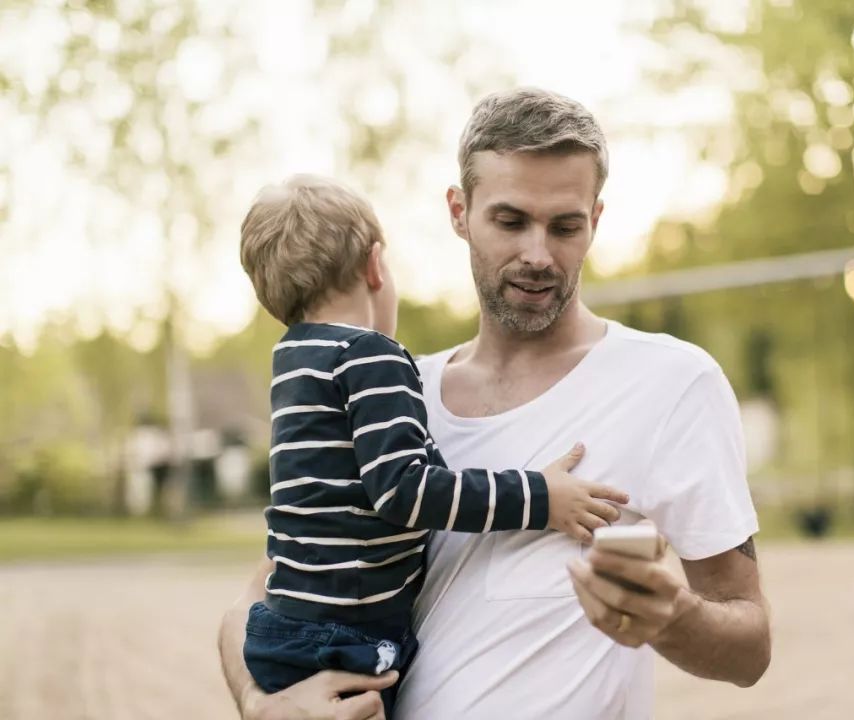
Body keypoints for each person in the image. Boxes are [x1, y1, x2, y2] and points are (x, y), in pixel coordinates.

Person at [219, 88, 771, 720]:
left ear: (596, 218)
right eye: (510, 221)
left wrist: (671, 616)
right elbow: (256, 601)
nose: (538, 254)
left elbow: (749, 646)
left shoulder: (672, 382)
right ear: (460, 212)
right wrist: (262, 703)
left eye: (565, 226)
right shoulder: (390, 392)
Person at [233, 174, 628, 715]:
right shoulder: (372, 356)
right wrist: (539, 498)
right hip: (347, 637)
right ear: (375, 266)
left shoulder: (293, 362)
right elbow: (404, 491)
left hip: (285, 628)